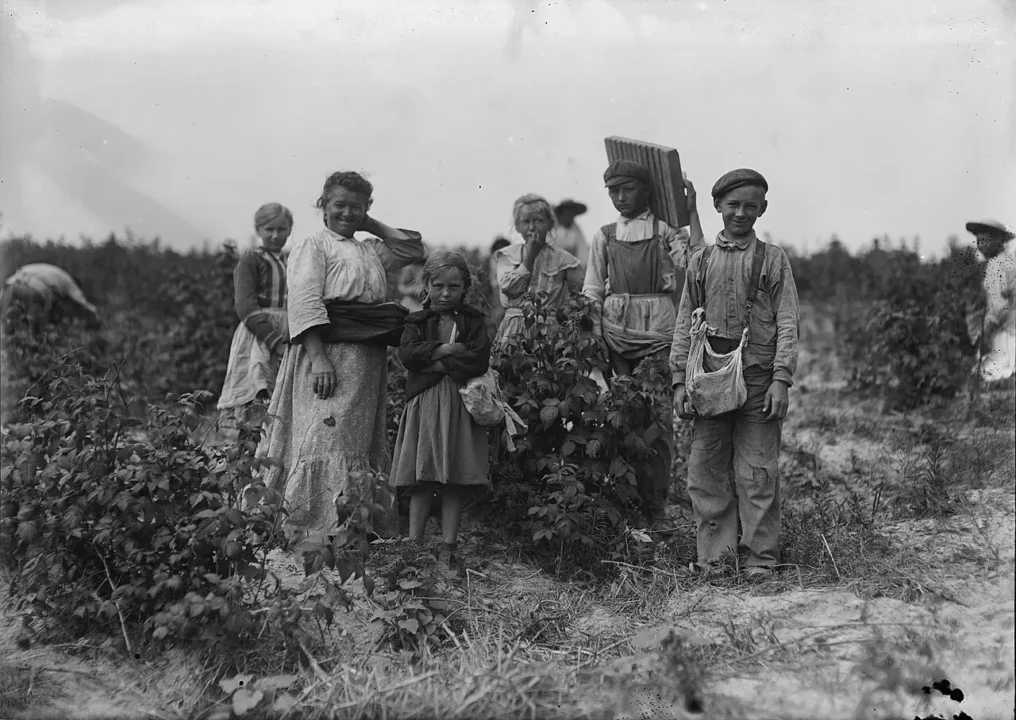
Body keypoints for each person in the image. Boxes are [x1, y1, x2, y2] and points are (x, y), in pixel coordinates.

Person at [258, 171, 425, 535]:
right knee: (323, 435)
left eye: (356, 207)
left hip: (366, 359)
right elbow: (304, 301)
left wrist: (369, 222)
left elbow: (414, 249)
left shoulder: (369, 249)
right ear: (323, 206)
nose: (347, 213)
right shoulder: (314, 246)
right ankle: (311, 525)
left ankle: (355, 524)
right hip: (328, 353)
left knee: (355, 440)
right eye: (339, 205)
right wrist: (319, 358)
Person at [670, 168, 800, 578]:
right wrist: (678, 380)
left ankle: (760, 559)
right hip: (710, 380)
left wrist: (781, 379)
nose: (741, 214)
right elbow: (683, 325)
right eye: (733, 205)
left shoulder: (773, 259)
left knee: (757, 471)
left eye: (750, 206)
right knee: (705, 471)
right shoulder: (700, 260)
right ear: (717, 207)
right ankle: (716, 560)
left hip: (759, 380)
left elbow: (788, 322)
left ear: (762, 209)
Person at [583, 159, 705, 532]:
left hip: (658, 333)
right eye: (613, 191)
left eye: (628, 190)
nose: (620, 198)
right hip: (616, 332)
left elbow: (699, 261)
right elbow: (591, 289)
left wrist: (692, 209)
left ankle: (656, 507)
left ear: (646, 191)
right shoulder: (604, 235)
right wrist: (592, 339)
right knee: (621, 418)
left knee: (657, 422)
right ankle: (624, 505)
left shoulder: (665, 231)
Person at [390, 251, 492, 571]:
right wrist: (446, 351)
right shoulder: (416, 321)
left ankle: (448, 546)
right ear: (426, 286)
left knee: (453, 479)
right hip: (424, 404)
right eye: (438, 286)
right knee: (422, 477)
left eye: (453, 287)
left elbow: (478, 359)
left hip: (459, 404)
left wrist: (431, 363)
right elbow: (408, 355)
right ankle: (414, 545)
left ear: (465, 288)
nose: (445, 293)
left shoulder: (473, 321)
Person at [217, 203, 293, 418]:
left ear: (290, 230)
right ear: (258, 230)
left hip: (288, 331)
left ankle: (272, 450)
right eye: (269, 229)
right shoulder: (252, 260)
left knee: (282, 396)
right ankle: (247, 448)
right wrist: (274, 340)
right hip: (259, 333)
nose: (276, 235)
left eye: (282, 229)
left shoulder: (293, 260)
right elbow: (245, 306)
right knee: (256, 390)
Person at [493, 194, 584, 344]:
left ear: (550, 224)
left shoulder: (564, 260)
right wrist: (530, 256)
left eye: (539, 221)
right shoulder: (507, 256)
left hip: (548, 332)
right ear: (517, 226)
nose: (532, 227)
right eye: (526, 221)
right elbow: (510, 288)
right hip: (513, 331)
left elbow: (580, 295)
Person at [965, 218, 1016, 383]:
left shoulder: (997, 265)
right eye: (978, 241)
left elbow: (1000, 307)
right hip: (1009, 327)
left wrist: (986, 332)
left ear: (998, 241)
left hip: (1008, 331)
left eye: (985, 240)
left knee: (983, 372)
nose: (980, 245)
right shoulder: (1008, 260)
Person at [1, 263, 99, 327]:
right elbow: (81, 299)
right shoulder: (69, 282)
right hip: (31, 288)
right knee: (34, 320)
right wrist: (93, 311)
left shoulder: (55, 275)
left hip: (10, 285)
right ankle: (33, 340)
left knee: (7, 319)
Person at [554, 199, 590, 266]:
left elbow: (583, 254)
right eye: (566, 213)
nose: (568, 216)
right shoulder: (554, 231)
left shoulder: (577, 232)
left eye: (571, 213)